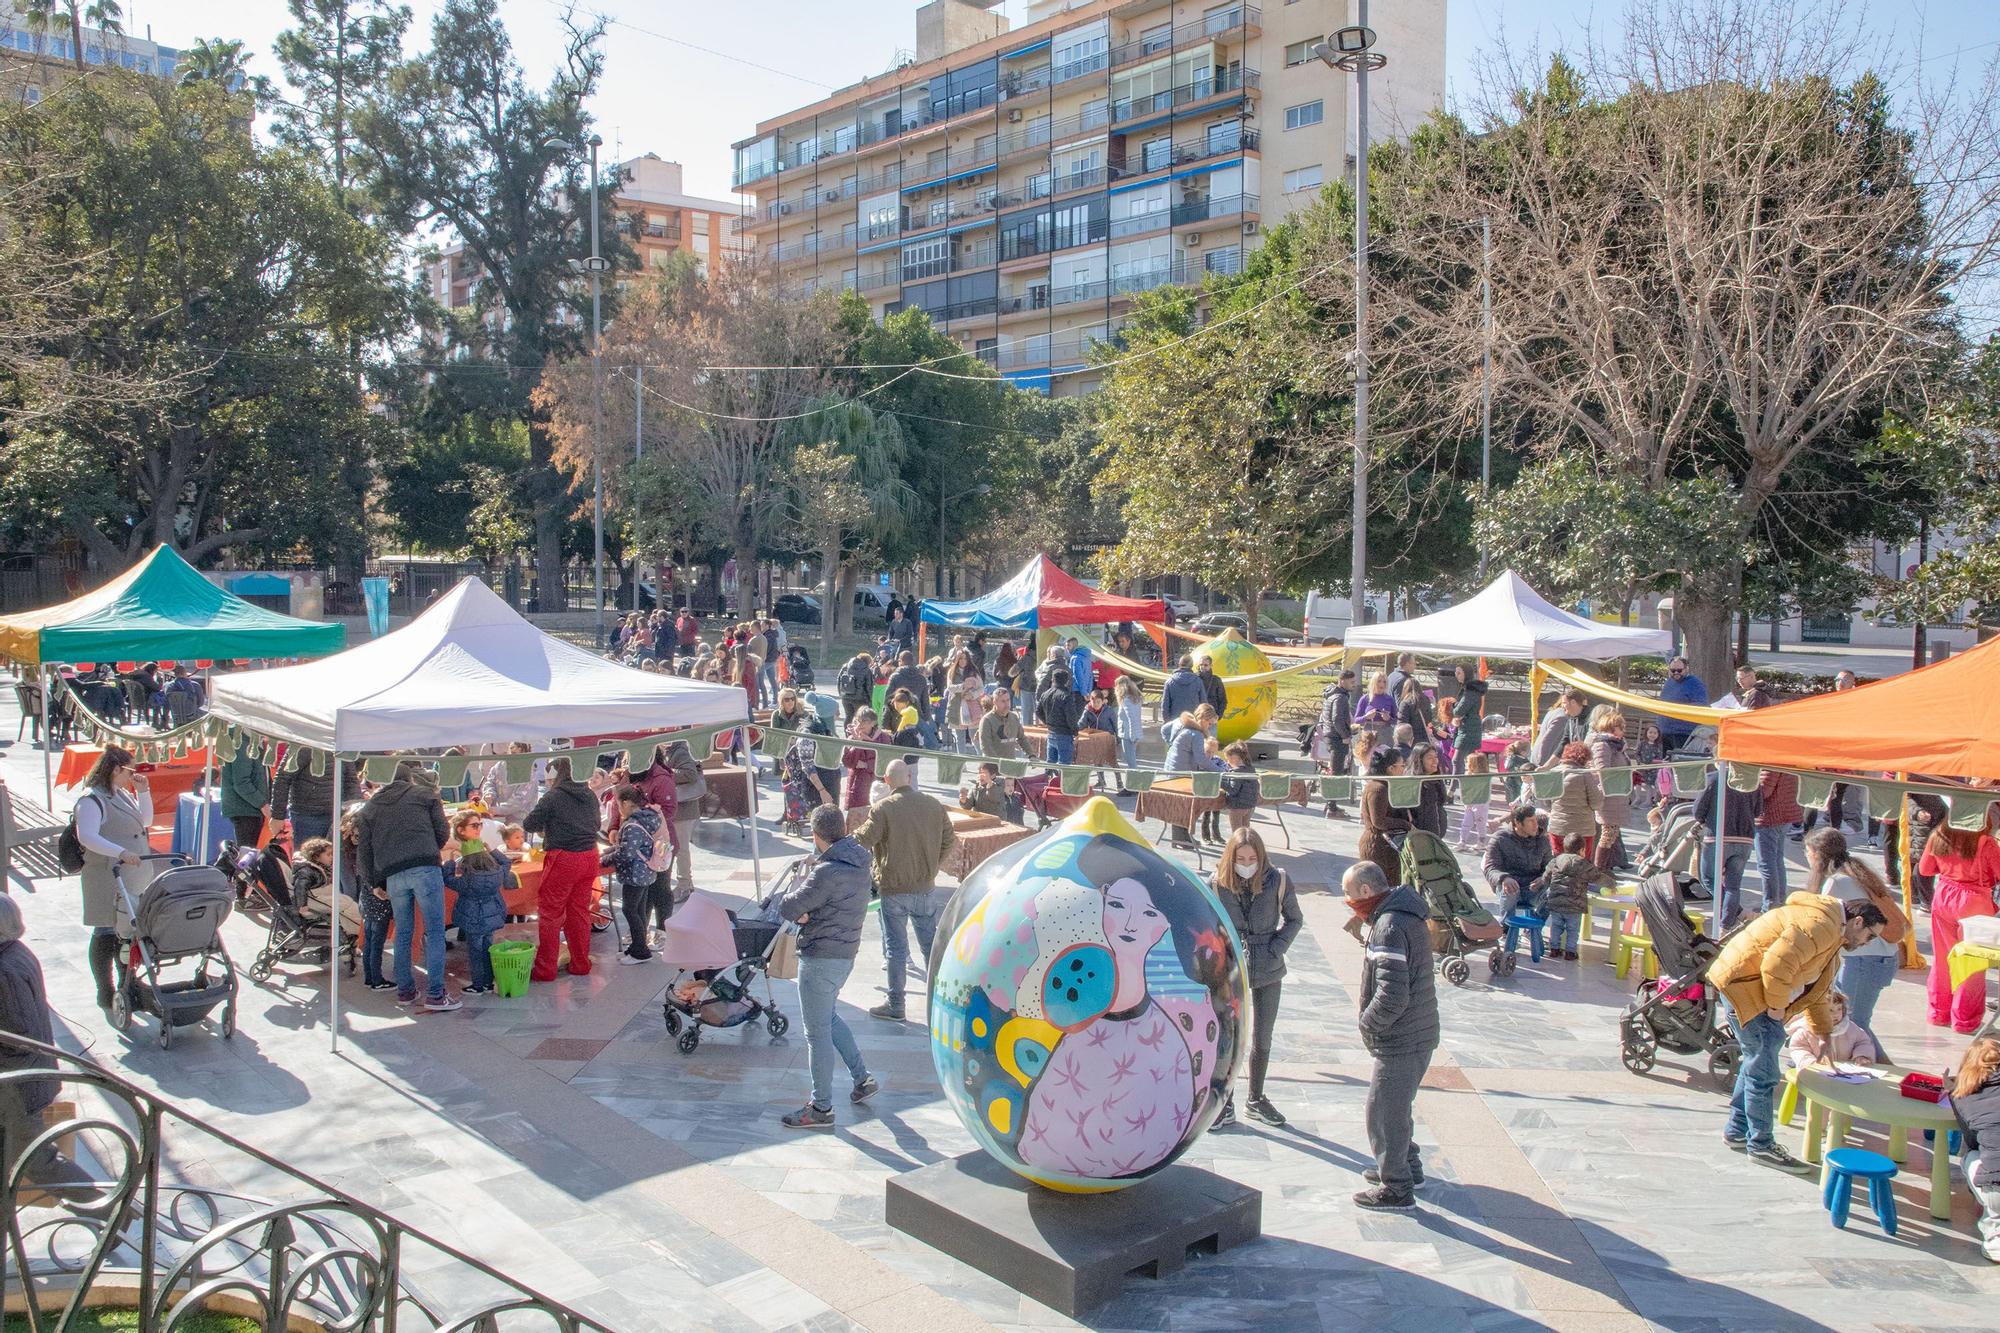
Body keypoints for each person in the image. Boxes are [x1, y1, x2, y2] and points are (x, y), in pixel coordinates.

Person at [1707, 892, 1887, 1169]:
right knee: (1764, 1072)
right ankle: (1761, 1145)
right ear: (1858, 922)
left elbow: (1818, 991)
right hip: (1745, 987)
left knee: (1756, 1062)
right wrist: (1777, 1008)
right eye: (1870, 936)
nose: (1866, 944)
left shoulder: (1831, 933)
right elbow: (1776, 965)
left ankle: (1737, 1130)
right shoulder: (1822, 925)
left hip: (1748, 987)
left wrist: (1824, 1035)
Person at [1344, 859, 1439, 1210]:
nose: (1348, 900)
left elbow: (1392, 994)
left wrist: (1367, 1024)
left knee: (1383, 1112)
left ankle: (1396, 1186)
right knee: (1395, 1108)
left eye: (1349, 893)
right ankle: (1404, 1165)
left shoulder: (1388, 927)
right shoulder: (1401, 916)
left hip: (1402, 1037)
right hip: (1418, 1033)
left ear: (1366, 891)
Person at [778, 805, 879, 1129]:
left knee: (816, 1032)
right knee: (829, 1018)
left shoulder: (825, 872)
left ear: (815, 834)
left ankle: (821, 1107)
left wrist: (806, 894)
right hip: (845, 954)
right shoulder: (859, 861)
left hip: (820, 956)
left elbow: (789, 905)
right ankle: (862, 1079)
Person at [0, 896, 96, 1199]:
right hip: (26, 1079)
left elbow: (18, 1034)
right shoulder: (15, 953)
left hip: (19, 1088)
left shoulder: (5, 969)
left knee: (37, 1162)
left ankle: (109, 1209)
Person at [1210, 829, 1302, 1128]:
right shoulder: (1216, 884)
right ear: (1231, 858)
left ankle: (1256, 1097)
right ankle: (1226, 1101)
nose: (1247, 863)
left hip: (1268, 966)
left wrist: (1276, 947)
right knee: (1230, 1036)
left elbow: (1294, 918)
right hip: (1232, 968)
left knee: (1262, 1037)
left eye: (1252, 858)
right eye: (1241, 858)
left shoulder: (1278, 880)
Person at [853, 760, 957, 1021]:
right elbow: (950, 839)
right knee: (930, 946)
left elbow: (862, 841)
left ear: (887, 781)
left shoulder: (883, 809)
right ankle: (939, 1000)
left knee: (896, 949)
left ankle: (896, 1004)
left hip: (893, 889)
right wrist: (932, 865)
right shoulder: (933, 805)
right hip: (925, 887)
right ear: (909, 777)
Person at [355, 759, 460, 1012]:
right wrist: (428, 849)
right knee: (434, 932)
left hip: (393, 873)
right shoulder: (425, 795)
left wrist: (373, 883)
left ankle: (405, 990)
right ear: (409, 778)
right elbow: (443, 832)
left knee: (403, 932)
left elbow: (364, 850)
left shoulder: (370, 807)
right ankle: (435, 994)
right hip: (424, 866)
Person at [1801, 826, 1905, 1061]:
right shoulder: (1857, 872)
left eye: (1807, 851)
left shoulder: (1835, 883)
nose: (1806, 856)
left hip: (1863, 962)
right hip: (1879, 959)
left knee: (1855, 1023)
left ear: (1818, 854)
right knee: (1857, 1021)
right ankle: (1876, 1064)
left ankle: (1882, 1066)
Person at [73, 745, 151, 1011]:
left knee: (125, 934)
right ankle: (104, 989)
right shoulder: (91, 799)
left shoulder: (120, 793)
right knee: (106, 931)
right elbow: (88, 836)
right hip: (106, 875)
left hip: (128, 875)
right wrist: (121, 852)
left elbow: (145, 821)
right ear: (116, 769)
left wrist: (144, 792)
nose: (134, 774)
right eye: (130, 770)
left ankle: (126, 984)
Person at [520, 756, 602, 984]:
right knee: (579, 912)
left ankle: (545, 969)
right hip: (589, 855)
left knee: (550, 914)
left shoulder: (553, 797)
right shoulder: (589, 795)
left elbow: (529, 824)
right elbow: (596, 825)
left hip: (564, 858)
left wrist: (550, 826)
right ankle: (580, 963)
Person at [1917, 823, 2000, 1032]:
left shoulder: (1938, 835)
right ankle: (1964, 1020)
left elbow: (1925, 869)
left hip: (1943, 895)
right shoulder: (1985, 842)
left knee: (1943, 959)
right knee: (1971, 962)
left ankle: (1938, 1013)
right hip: (1975, 901)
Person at [438, 819, 506, 993]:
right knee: (488, 949)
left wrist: (451, 862)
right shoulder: (498, 872)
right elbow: (506, 863)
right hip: (491, 917)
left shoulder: (467, 880)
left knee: (475, 953)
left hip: (473, 920)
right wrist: (492, 849)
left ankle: (477, 985)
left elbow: (448, 880)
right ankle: (489, 982)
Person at [602, 785, 665, 966]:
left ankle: (640, 952)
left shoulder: (633, 824)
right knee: (638, 910)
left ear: (627, 803)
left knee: (630, 910)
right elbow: (627, 847)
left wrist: (606, 859)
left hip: (635, 874)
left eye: (618, 805)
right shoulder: (647, 819)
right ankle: (638, 947)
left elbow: (626, 853)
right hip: (645, 873)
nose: (618, 810)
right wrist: (609, 850)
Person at [1694, 766, 1762, 928]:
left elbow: (1698, 810)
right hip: (1745, 837)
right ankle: (1727, 923)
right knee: (1733, 885)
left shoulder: (1714, 778)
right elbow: (1758, 811)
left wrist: (1704, 820)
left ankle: (1730, 917)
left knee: (1709, 879)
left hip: (1717, 835)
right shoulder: (1753, 781)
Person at [1952, 1037, 2000, 1263]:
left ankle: (1995, 1237)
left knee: (1970, 1156)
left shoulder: (1963, 1096)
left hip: (1996, 1187)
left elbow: (1972, 1141)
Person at [1538, 833, 1611, 960]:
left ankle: (1554, 948)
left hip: (1556, 903)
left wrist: (1545, 883)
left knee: (1556, 926)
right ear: (1582, 850)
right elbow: (1598, 877)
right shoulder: (1583, 864)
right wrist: (1612, 884)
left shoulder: (1556, 860)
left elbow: (1546, 876)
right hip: (1575, 904)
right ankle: (1570, 952)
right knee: (1572, 929)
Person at [1162, 705, 1225, 849]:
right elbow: (1201, 760)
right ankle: (1182, 839)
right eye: (1210, 723)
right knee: (1184, 805)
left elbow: (1163, 729)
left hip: (1171, 768)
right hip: (1182, 772)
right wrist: (1220, 771)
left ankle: (1182, 838)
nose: (1210, 727)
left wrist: (1172, 745)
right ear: (1203, 719)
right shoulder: (1195, 734)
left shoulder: (1181, 722)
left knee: (1179, 804)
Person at [271, 748, 357, 847]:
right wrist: (277, 816)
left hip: (338, 815)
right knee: (307, 859)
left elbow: (351, 780)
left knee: (335, 858)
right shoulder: (305, 743)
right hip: (307, 816)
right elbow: (283, 778)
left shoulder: (343, 744)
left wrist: (355, 814)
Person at [1483, 803, 1552, 917]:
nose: (1536, 825)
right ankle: (1506, 929)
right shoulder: (1500, 839)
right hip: (1510, 885)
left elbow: (1550, 866)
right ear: (1518, 823)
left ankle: (1535, 926)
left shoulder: (1542, 840)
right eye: (1531, 821)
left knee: (1555, 893)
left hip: (1533, 887)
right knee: (1509, 890)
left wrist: (1544, 878)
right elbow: (1490, 868)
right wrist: (1504, 878)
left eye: (1535, 820)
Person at [1357, 747, 1414, 884]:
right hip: (1377, 846)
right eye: (1402, 765)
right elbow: (1379, 821)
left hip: (1385, 845)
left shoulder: (1385, 785)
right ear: (1391, 768)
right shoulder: (1378, 788)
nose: (1403, 769)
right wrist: (1406, 824)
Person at [1752, 765, 1802, 910]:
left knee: (1767, 864)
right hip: (1784, 815)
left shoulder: (1771, 763)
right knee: (1776, 860)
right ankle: (1778, 900)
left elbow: (1764, 791)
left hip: (1770, 816)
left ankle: (1771, 904)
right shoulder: (1784, 758)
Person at [1785, 990, 1876, 1067]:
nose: (1836, 1014)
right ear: (1817, 1012)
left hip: (1845, 1071)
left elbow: (1863, 1042)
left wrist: (1862, 1056)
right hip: (1816, 1071)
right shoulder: (1805, 1030)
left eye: (1839, 1009)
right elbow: (1798, 1048)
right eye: (1830, 1010)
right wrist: (1809, 1062)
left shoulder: (1850, 1028)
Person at [1546, 742, 1604, 860]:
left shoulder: (1553, 772)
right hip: (1583, 829)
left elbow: (1547, 802)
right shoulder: (1585, 775)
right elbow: (1596, 804)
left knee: (1559, 862)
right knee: (1582, 864)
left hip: (1558, 827)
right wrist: (1600, 790)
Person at [1315, 669, 1357, 816]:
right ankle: (1331, 807)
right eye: (1351, 682)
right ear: (1342, 681)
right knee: (1336, 773)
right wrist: (1345, 735)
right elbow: (1337, 720)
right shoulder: (1340, 697)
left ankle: (1330, 805)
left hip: (1330, 736)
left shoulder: (1331, 694)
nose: (1354, 684)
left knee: (1335, 771)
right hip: (1336, 738)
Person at [218, 744, 272, 850]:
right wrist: (263, 804)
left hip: (252, 809)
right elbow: (241, 783)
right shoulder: (242, 745)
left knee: (251, 853)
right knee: (247, 854)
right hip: (246, 810)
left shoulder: (252, 744)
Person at [479, 741, 542, 823]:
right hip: (499, 818)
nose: (514, 757)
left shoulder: (529, 773)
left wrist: (499, 809)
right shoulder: (500, 765)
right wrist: (489, 794)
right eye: (512, 753)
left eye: (518, 754)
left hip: (522, 820)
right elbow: (490, 782)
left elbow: (520, 799)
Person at [841, 708, 892, 809]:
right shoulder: (853, 737)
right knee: (856, 820)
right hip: (857, 784)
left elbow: (887, 762)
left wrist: (867, 765)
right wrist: (858, 744)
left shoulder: (884, 738)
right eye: (859, 721)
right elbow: (847, 762)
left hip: (878, 783)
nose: (860, 724)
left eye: (865, 721)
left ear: (873, 723)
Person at [1656, 656, 1707, 752]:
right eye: (1673, 670)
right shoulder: (1669, 682)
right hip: (1664, 731)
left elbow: (1701, 705)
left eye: (1679, 670)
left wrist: (1678, 709)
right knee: (1665, 763)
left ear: (1686, 668)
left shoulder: (1695, 683)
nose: (1676, 673)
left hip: (1683, 733)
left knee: (1678, 761)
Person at [1036, 667, 1085, 765]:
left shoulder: (1045, 694)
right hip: (1064, 734)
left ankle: (1049, 779)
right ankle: (1060, 780)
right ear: (1066, 681)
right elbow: (1071, 717)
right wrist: (1075, 731)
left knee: (1050, 763)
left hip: (1051, 732)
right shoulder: (1066, 696)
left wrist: (1047, 722)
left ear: (1053, 680)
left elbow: (1038, 711)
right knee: (1064, 766)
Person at [1532, 689, 1589, 767]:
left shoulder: (1588, 720)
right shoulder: (1567, 718)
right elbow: (1562, 743)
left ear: (1573, 702)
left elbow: (1549, 740)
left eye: (1564, 703)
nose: (1563, 706)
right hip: (1547, 760)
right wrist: (1544, 765)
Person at [1451, 664, 1488, 773]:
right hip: (1468, 727)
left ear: (1466, 674)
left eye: (1459, 673)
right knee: (1471, 761)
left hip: (1468, 729)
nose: (1456, 675)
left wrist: (1454, 705)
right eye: (1455, 673)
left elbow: (1459, 711)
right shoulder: (1469, 689)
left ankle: (1455, 787)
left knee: (1457, 760)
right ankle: (1465, 785)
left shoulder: (1470, 691)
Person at [1454, 753, 1495, 852]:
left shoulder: (1486, 777)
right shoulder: (1468, 776)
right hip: (1470, 804)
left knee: (1481, 823)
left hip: (1481, 804)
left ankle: (1481, 842)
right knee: (1466, 823)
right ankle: (1462, 842)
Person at [1406, 743, 1448, 839]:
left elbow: (1441, 803)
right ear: (1419, 760)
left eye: (1436, 757)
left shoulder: (1436, 779)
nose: (1435, 761)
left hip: (1436, 836)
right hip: (1420, 836)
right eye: (1430, 758)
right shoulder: (1411, 782)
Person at [1220, 741, 1259, 836]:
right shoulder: (1250, 769)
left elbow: (1233, 790)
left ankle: (1237, 849)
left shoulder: (1236, 772)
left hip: (1237, 806)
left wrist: (1220, 781)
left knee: (1237, 833)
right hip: (1250, 805)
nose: (1227, 762)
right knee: (1246, 831)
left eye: (1228, 759)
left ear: (1234, 757)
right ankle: (1248, 846)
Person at [978, 688, 1027, 759]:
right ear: (995, 702)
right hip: (992, 766)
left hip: (1010, 764)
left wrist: (1031, 755)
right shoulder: (987, 720)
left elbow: (1022, 738)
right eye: (1003, 701)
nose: (1007, 704)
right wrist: (997, 763)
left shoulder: (1014, 717)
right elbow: (986, 747)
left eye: (1008, 700)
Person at [1115, 676, 1145, 790]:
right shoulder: (1135, 698)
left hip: (1128, 734)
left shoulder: (1126, 700)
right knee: (1131, 759)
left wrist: (1132, 735)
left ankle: (1133, 786)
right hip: (1134, 732)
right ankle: (1134, 785)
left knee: (1130, 761)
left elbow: (1131, 717)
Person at [1354, 671, 1398, 748]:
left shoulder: (1389, 699)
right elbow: (1356, 719)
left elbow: (1396, 720)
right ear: (1374, 682)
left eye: (1384, 682)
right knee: (1368, 757)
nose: (1382, 684)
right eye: (1379, 681)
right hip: (1369, 733)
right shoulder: (1365, 699)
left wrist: (1388, 718)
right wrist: (1366, 717)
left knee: (1385, 757)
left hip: (1385, 733)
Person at [1158, 654, 1204, 723]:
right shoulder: (1198, 681)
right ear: (1192, 665)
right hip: (1193, 720)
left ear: (1179, 664)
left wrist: (1167, 722)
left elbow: (1165, 705)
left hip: (1175, 720)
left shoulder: (1169, 681)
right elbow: (1203, 702)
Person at [836, 651, 876, 726]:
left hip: (845, 696)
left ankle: (847, 734)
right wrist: (869, 700)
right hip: (860, 698)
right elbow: (869, 687)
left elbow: (839, 681)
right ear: (867, 661)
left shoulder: (845, 667)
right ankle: (858, 735)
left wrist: (841, 693)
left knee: (848, 716)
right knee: (861, 718)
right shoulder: (866, 670)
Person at [1397, 678, 1432, 749]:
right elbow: (1429, 719)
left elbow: (1402, 725)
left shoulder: (1405, 703)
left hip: (1411, 741)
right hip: (1425, 739)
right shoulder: (1426, 700)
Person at [1194, 654, 1229, 719]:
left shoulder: (1216, 680)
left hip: (1211, 717)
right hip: (1197, 716)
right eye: (1201, 664)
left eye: (1205, 665)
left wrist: (1218, 715)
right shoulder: (1194, 678)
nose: (1202, 667)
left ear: (1211, 666)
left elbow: (1223, 700)